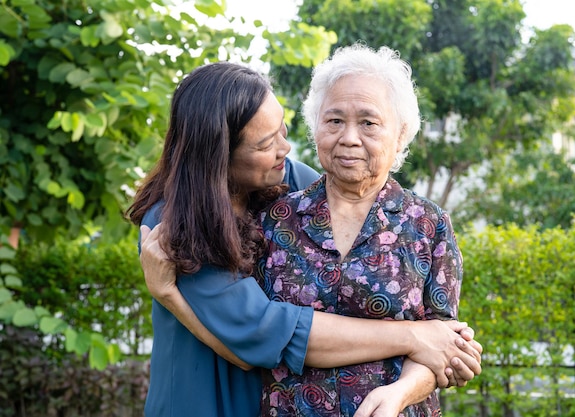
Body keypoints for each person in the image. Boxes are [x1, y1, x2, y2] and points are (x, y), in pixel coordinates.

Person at [130, 61, 482, 417]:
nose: (285, 148)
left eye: (282, 129)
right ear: (220, 156)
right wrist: (168, 295)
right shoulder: (180, 221)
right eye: (267, 143)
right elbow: (261, 335)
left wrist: (423, 369)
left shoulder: (290, 180)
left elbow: (445, 340)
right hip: (205, 400)